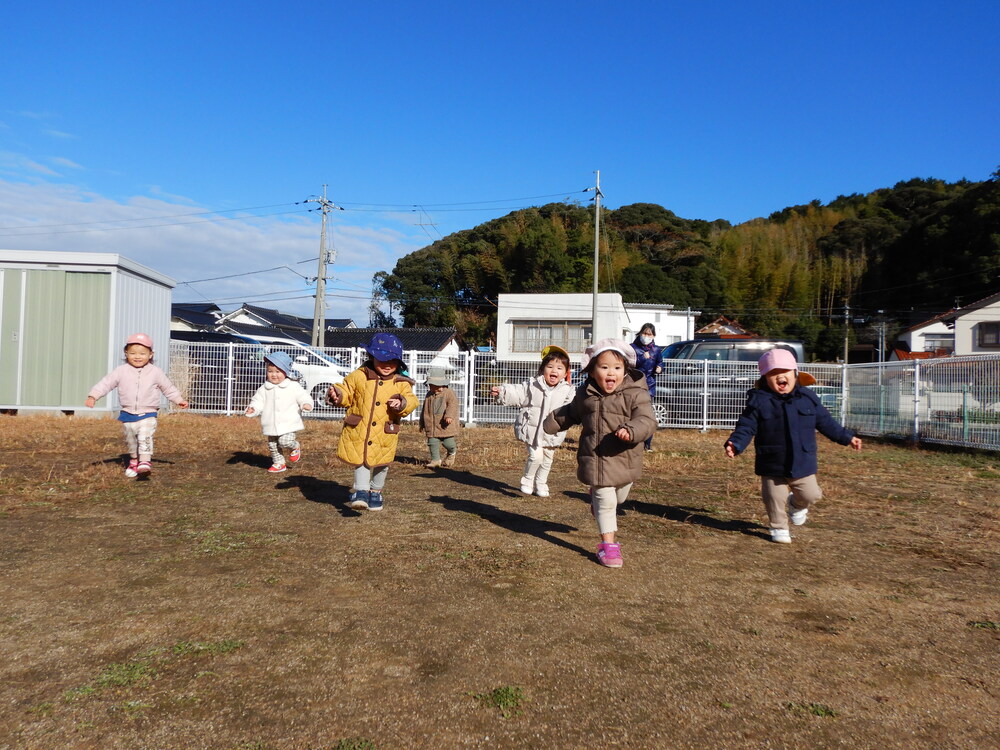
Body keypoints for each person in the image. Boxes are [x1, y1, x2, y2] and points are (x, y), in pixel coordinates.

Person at [724, 348, 862, 544]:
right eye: (773, 373)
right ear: (765, 379)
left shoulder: (808, 398)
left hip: (802, 459)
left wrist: (847, 437)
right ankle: (778, 527)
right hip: (772, 459)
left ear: (795, 374)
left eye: (785, 371)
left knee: (811, 494)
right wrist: (736, 444)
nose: (780, 376)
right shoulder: (759, 402)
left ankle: (796, 505)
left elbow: (826, 422)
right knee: (773, 496)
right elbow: (746, 427)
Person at [544, 339, 657, 567]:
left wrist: (631, 430)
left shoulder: (636, 393)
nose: (610, 373)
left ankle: (598, 503)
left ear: (625, 370)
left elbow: (647, 420)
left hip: (625, 460)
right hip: (595, 458)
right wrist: (555, 421)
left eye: (617, 368)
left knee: (618, 498)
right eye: (604, 367)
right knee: (605, 501)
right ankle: (609, 547)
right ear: (592, 371)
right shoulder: (586, 394)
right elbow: (572, 412)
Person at [326, 333, 418, 511]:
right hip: (360, 428)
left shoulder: (401, 382)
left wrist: (401, 403)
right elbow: (346, 390)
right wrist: (338, 395)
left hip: (385, 432)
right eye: (382, 359)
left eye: (392, 360)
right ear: (371, 357)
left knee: (381, 463)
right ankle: (361, 492)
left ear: (398, 362)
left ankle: (375, 492)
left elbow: (412, 400)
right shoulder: (359, 376)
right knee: (362, 459)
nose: (387, 364)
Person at [85, 333, 188, 477]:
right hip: (127, 413)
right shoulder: (121, 371)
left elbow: (168, 387)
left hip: (148, 412)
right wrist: (93, 396)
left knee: (145, 436)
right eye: (132, 353)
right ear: (126, 353)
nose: (137, 356)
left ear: (151, 354)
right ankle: (134, 461)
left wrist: (178, 399)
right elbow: (106, 383)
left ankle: (145, 462)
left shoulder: (155, 372)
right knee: (131, 440)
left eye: (142, 353)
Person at [491, 345, 575, 497]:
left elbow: (573, 408)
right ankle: (527, 480)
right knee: (536, 457)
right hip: (533, 430)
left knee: (547, 460)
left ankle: (541, 483)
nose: (554, 371)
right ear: (543, 369)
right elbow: (518, 392)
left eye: (559, 368)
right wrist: (502, 392)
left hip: (553, 433)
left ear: (565, 373)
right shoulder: (533, 385)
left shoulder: (568, 390)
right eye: (550, 366)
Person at [245, 351, 314, 473]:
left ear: (285, 372)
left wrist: (306, 404)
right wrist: (253, 409)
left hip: (288, 422)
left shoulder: (293, 386)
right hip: (270, 423)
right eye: (270, 371)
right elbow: (258, 401)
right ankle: (279, 463)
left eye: (277, 372)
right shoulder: (264, 388)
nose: (274, 375)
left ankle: (295, 446)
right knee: (273, 445)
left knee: (284, 441)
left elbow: (303, 397)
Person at [630, 323, 664, 451]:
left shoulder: (656, 350)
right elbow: (629, 364)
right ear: (640, 333)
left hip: (649, 385)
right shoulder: (632, 348)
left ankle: (647, 444)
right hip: (634, 384)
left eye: (649, 334)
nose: (646, 336)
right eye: (644, 333)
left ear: (653, 336)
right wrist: (642, 358)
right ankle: (631, 440)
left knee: (647, 415)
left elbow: (660, 362)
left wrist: (660, 368)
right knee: (632, 413)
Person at [420, 366, 459, 468]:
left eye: (441, 385)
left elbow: (453, 405)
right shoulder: (429, 395)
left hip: (445, 425)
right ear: (430, 385)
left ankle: (452, 453)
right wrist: (422, 423)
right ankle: (435, 460)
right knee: (432, 443)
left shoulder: (449, 393)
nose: (439, 388)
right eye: (435, 386)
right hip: (431, 426)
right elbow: (424, 410)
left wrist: (449, 416)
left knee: (448, 443)